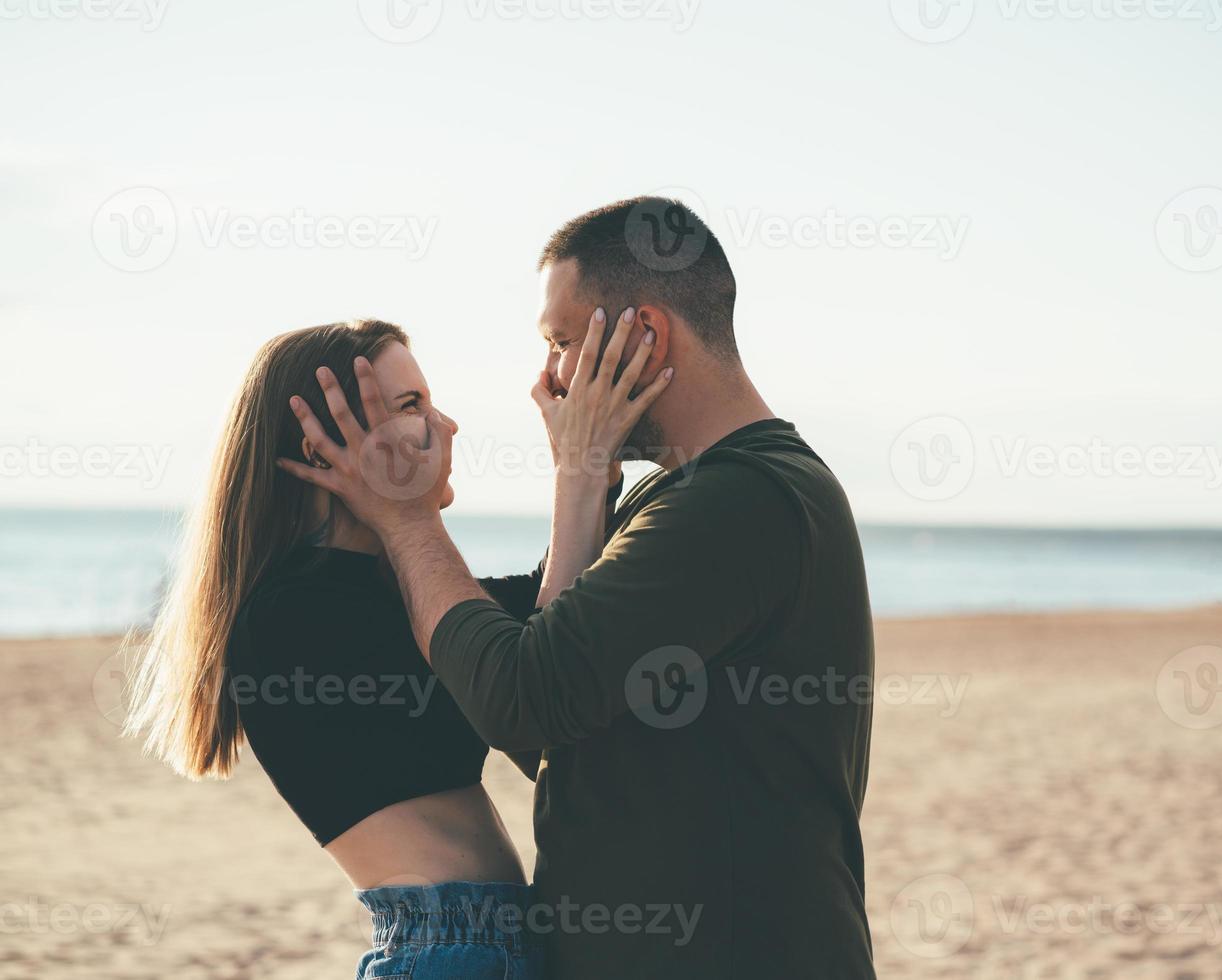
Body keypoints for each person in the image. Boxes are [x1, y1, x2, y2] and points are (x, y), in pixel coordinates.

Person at [280, 198, 878, 979]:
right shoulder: (672, 500)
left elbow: (522, 698)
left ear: (646, 334)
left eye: (561, 342)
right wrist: (585, 485)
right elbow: (554, 738)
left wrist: (404, 522)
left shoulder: (739, 499)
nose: (550, 377)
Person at [124, 318, 666, 978]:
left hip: (480, 949)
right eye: (412, 406)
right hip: (450, 952)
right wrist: (568, 478)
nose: (447, 427)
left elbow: (543, 621)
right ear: (326, 449)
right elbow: (528, 674)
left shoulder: (375, 593)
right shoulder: (293, 615)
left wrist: (591, 466)